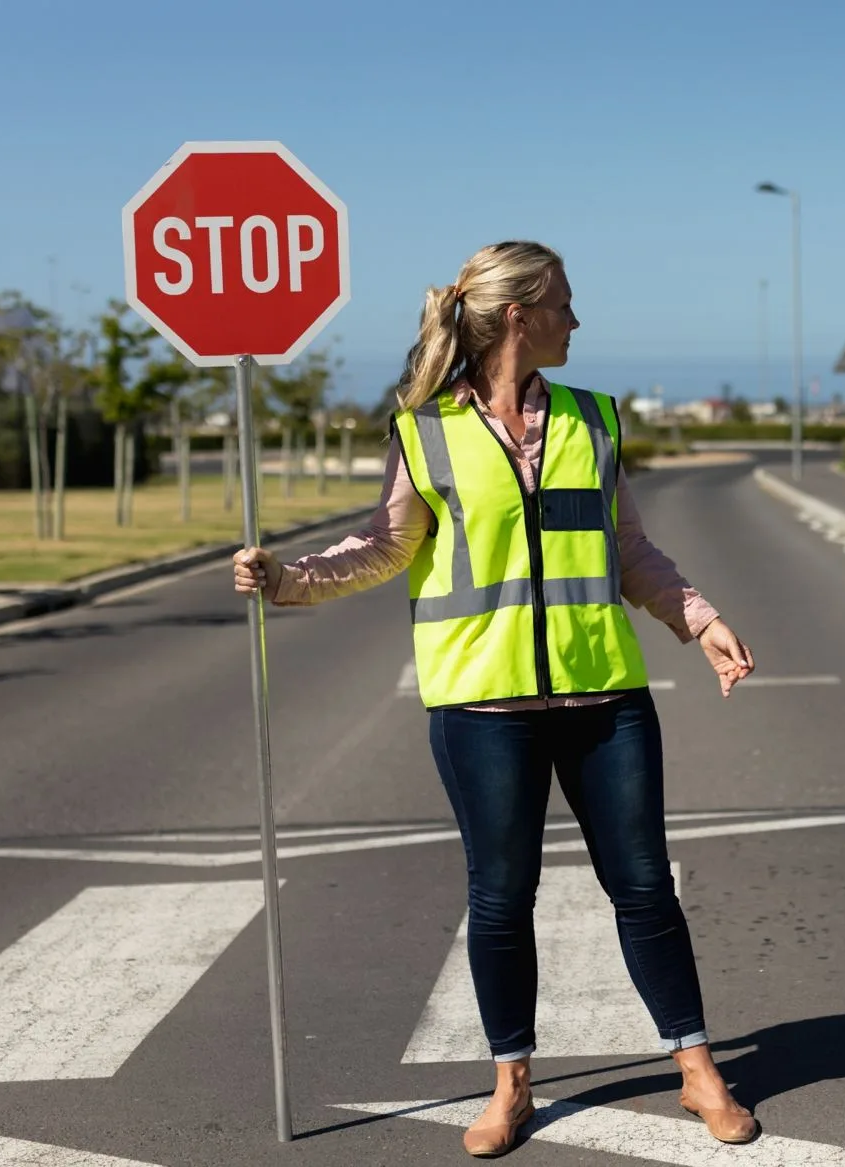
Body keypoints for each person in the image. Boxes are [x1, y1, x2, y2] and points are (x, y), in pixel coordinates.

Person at [233, 241, 762, 1156]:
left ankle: (697, 1069)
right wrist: (287, 578)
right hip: (481, 707)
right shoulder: (426, 429)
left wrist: (699, 619)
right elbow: (385, 546)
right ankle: (511, 1082)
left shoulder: (593, 418)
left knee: (644, 886)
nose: (576, 320)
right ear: (520, 315)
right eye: (564, 304)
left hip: (604, 695)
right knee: (502, 898)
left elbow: (629, 549)